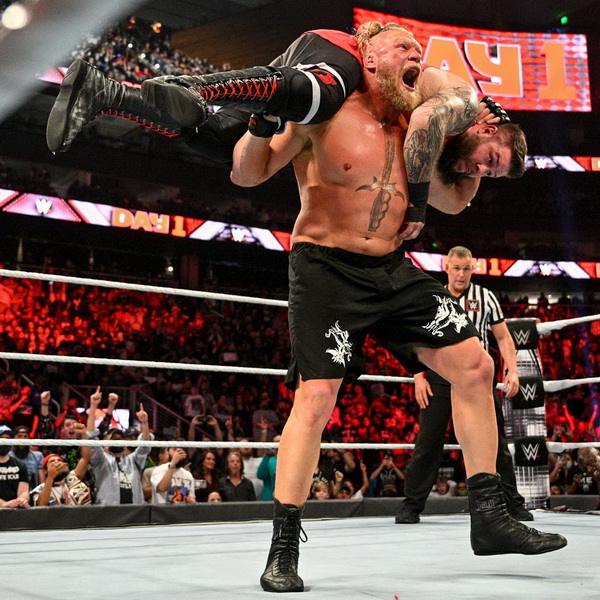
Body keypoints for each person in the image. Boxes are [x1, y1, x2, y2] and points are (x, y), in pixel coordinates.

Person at [229, 21, 565, 593]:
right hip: (326, 269)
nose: (415, 53)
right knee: (316, 398)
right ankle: (283, 547)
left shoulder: (419, 125)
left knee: (476, 366)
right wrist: (263, 120)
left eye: (418, 48)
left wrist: (476, 149)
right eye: (402, 45)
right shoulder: (323, 109)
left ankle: (489, 516)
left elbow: (452, 202)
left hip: (391, 269)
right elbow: (246, 172)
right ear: (366, 53)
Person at [46, 23, 525, 240]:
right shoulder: (456, 97)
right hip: (340, 57)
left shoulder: (460, 166)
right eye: (489, 159)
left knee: (226, 144)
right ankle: (196, 87)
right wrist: (418, 201)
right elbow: (423, 126)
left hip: (293, 91)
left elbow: (454, 201)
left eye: (491, 174)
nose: (481, 170)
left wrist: (466, 165)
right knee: (325, 98)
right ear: (487, 125)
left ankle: (104, 93)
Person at [395, 245, 533, 525]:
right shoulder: (433, 296)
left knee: (494, 441)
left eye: (466, 269)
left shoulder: (486, 297)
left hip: (476, 378)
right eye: (456, 268)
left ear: (472, 269)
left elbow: (503, 337)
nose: (461, 274)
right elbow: (416, 337)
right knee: (428, 440)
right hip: (440, 375)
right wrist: (418, 376)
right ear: (447, 268)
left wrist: (513, 370)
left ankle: (512, 503)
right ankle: (411, 506)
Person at [86, 387, 152, 505]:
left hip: (134, 510)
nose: (117, 440)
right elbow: (91, 436)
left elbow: (145, 447)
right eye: (114, 438)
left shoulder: (133, 460)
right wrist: (93, 406)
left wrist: (145, 423)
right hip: (109, 510)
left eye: (120, 438)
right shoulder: (101, 460)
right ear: (105, 444)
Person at [31, 422, 92, 506]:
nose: (57, 463)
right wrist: (50, 477)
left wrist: (84, 435)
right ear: (45, 470)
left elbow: (85, 458)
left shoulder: (72, 478)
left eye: (59, 460)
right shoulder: (40, 489)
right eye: (52, 461)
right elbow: (41, 507)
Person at [0, 424, 29, 508]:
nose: (4, 442)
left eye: (7, 439)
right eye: (1, 438)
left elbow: (24, 491)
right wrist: (4, 504)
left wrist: (21, 500)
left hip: (14, 511)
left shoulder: (20, 465)